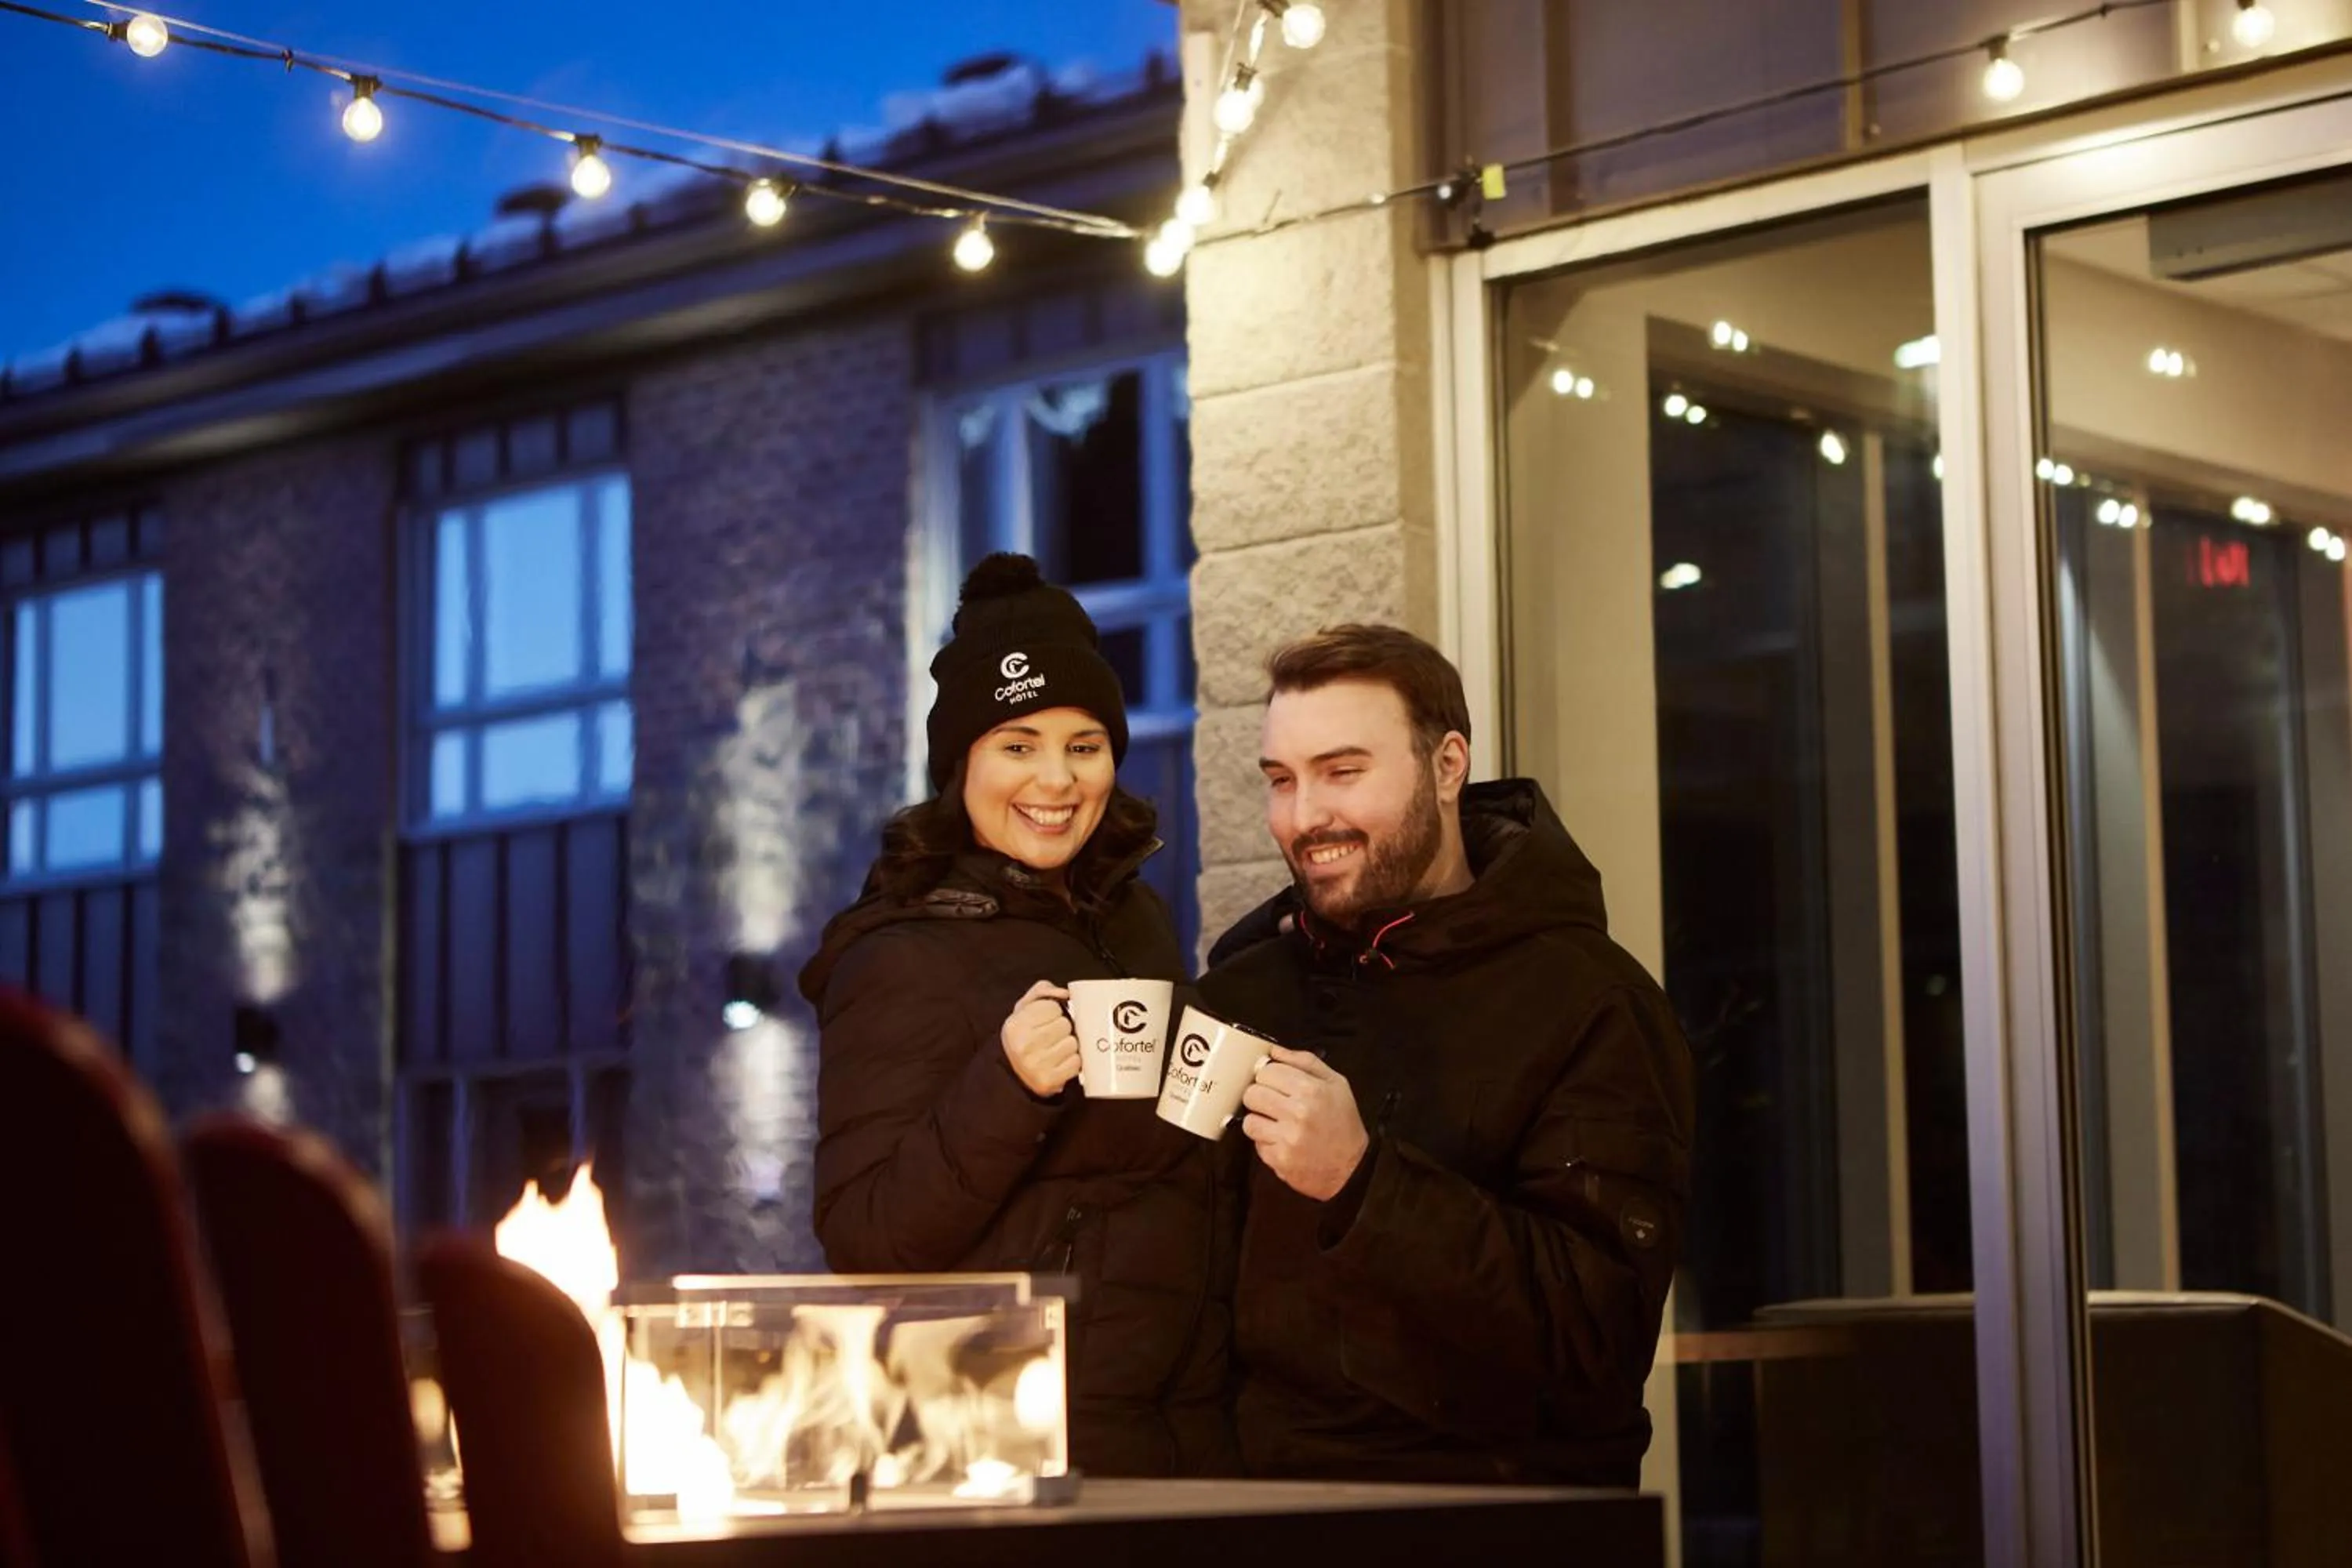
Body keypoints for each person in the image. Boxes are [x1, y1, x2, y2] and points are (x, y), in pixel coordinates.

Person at [1197, 622, 1694, 1486]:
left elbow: (1595, 1339)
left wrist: (1364, 1181)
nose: (1306, 815)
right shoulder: (1242, 994)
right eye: (1283, 779)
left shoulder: (1591, 1003)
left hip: (1493, 1527)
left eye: (1343, 771)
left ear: (1448, 765)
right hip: (1250, 1518)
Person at [797, 553, 1235, 1478]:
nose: (1057, 778)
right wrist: (1007, 1085)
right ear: (962, 765)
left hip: (1184, 1429)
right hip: (1018, 1447)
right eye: (1018, 743)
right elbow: (862, 1233)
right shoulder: (899, 953)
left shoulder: (1134, 917)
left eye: (1084, 744)